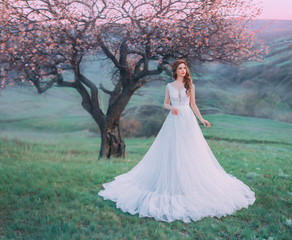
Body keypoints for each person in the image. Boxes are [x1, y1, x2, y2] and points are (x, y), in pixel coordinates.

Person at [98, 59, 256, 223]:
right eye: (180, 68)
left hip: (188, 121)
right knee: (172, 151)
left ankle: (190, 183)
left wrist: (202, 119)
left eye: (185, 68)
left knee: (191, 151)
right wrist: (171, 108)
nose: (183, 70)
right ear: (175, 71)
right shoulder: (169, 86)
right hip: (173, 121)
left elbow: (193, 105)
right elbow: (165, 104)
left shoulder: (190, 86)